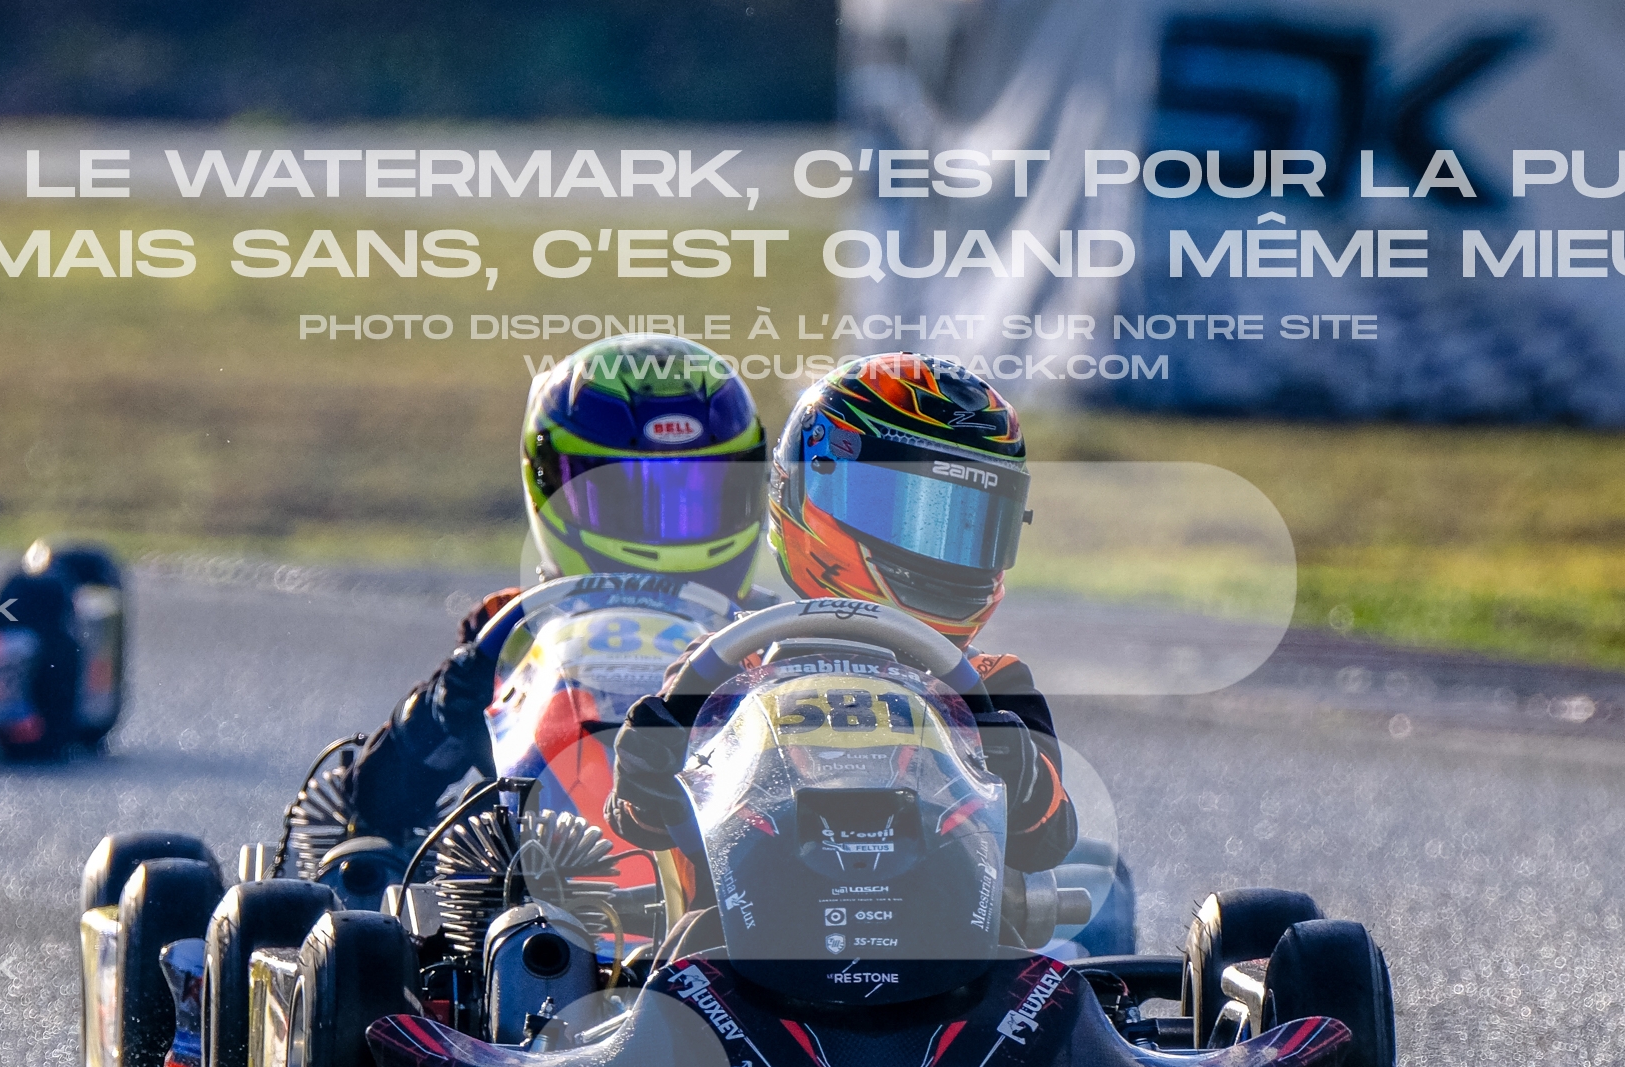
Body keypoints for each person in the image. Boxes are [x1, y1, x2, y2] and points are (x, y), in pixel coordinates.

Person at [606, 352, 1081, 877]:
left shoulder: (993, 687)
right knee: (684, 934)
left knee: (1085, 902)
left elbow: (1047, 841)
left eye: (968, 523)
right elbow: (643, 825)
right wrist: (647, 770)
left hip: (948, 920)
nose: (942, 552)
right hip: (752, 919)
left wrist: (1022, 776)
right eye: (903, 512)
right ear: (812, 488)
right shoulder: (729, 667)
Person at [322, 332, 770, 851]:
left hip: (733, 869)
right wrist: (444, 711)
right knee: (383, 852)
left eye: (697, 499)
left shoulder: (773, 634)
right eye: (627, 499)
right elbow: (378, 803)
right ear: (550, 484)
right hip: (546, 867)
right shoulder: (511, 630)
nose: (666, 526)